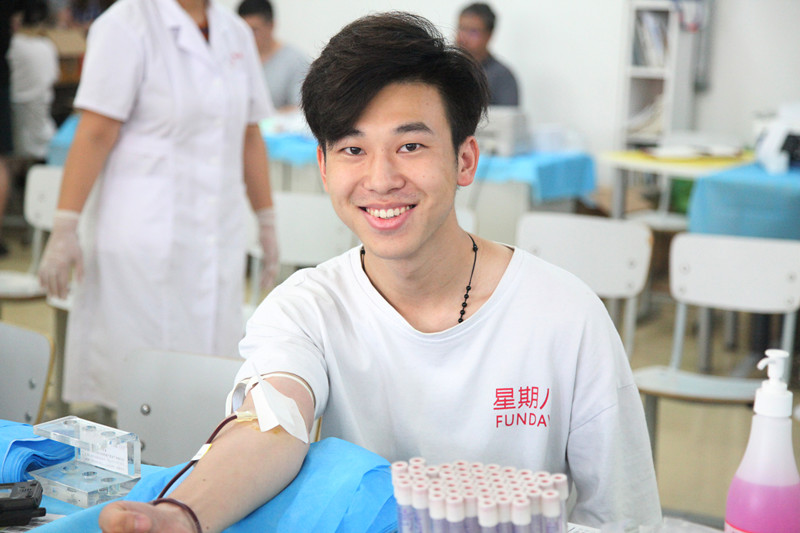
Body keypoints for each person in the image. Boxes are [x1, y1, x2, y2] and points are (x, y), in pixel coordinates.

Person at [98, 11, 661, 533]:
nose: (381, 178)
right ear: (323, 167)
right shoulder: (307, 307)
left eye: (410, 145)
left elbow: (622, 514)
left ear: (465, 159)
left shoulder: (565, 315)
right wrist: (181, 516)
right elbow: (270, 426)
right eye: (353, 150)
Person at [37, 0, 280, 411]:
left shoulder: (234, 31)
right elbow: (95, 133)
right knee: (140, 390)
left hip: (216, 235)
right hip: (143, 236)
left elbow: (249, 135)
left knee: (206, 388)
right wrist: (64, 226)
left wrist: (267, 220)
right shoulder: (126, 23)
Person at [8, 1, 59, 163]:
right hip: (47, 137)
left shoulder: (12, 48)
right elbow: (54, 78)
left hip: (17, 144)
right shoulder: (47, 46)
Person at [237, 0, 308, 113]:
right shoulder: (233, 60)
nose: (248, 37)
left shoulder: (295, 62)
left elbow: (299, 109)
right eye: (243, 30)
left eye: (254, 30)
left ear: (271, 25)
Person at [456, 2, 519, 106]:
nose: (463, 38)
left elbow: (507, 115)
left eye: (473, 32)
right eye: (461, 29)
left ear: (489, 35)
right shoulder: (447, 69)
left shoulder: (502, 77)